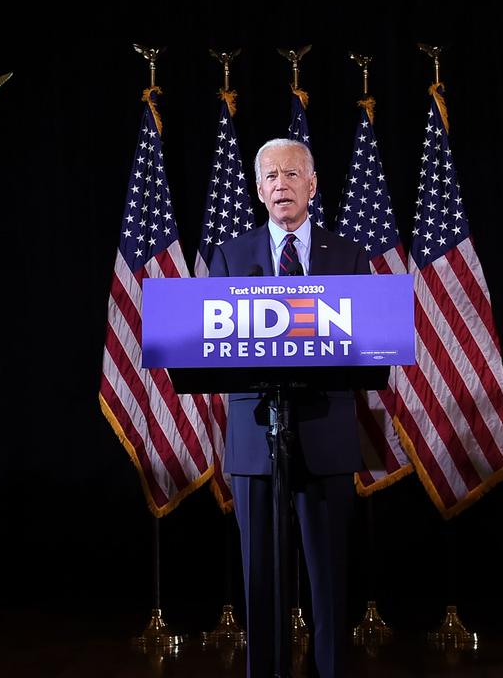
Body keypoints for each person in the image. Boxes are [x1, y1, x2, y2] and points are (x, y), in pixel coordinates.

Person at [208, 138, 368, 678]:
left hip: (325, 432)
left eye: (292, 174)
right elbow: (211, 345)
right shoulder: (231, 256)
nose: (281, 184)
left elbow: (367, 339)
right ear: (258, 189)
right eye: (271, 176)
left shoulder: (347, 256)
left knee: (328, 582)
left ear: (312, 185)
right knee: (262, 581)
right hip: (256, 440)